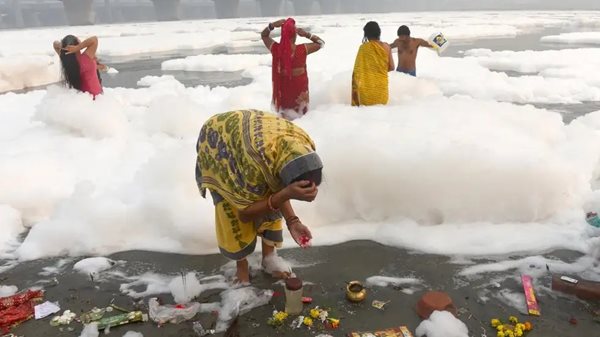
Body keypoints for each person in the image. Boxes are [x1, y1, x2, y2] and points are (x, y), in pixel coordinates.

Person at [196, 109, 323, 284]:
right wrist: (284, 194)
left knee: (271, 196)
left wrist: (293, 221)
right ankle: (241, 266)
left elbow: (277, 187)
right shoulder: (252, 167)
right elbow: (245, 213)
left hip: (256, 138)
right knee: (232, 209)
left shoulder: (303, 146)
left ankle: (269, 257)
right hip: (221, 141)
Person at [261, 18, 324, 120]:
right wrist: (307, 34)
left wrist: (271, 26)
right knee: (302, 118)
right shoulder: (302, 49)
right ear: (295, 34)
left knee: (285, 118)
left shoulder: (276, 49)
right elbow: (321, 43)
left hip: (283, 92)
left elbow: (264, 35)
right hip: (300, 92)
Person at [351, 21, 394, 106]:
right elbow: (392, 67)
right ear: (379, 32)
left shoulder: (363, 48)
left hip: (365, 93)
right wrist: (378, 71)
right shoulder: (387, 47)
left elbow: (357, 71)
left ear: (366, 34)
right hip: (382, 91)